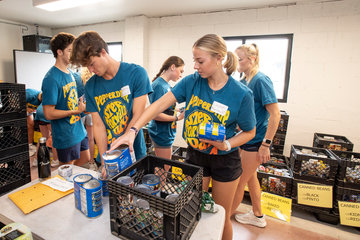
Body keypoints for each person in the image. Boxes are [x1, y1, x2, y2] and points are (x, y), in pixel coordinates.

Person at [109, 34, 256, 240]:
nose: (195, 66)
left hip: (225, 160)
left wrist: (227, 144)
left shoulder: (241, 94)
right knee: (192, 211)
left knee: (220, 216)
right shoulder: (192, 82)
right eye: (194, 60)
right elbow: (158, 105)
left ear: (219, 58)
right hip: (195, 156)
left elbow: (250, 132)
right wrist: (132, 131)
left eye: (200, 61)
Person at [70, 31, 152, 177]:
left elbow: (138, 114)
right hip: (109, 155)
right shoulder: (91, 86)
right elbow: (99, 126)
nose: (91, 70)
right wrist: (104, 161)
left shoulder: (136, 73)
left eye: (92, 64)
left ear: (103, 52)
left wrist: (124, 143)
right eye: (87, 67)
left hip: (134, 153)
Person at [231, 43, 281, 228]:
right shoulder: (244, 81)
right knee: (250, 178)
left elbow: (275, 114)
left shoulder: (261, 80)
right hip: (244, 138)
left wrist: (266, 145)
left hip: (256, 140)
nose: (237, 62)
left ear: (251, 59)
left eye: (240, 59)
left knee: (237, 182)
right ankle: (258, 215)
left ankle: (223, 220)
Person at [41, 32, 90, 166]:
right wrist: (74, 112)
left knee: (85, 158)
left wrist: (82, 109)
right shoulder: (51, 78)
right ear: (59, 52)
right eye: (70, 51)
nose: (73, 54)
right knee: (66, 170)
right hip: (65, 134)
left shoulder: (70, 74)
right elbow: (48, 113)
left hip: (78, 129)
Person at [148, 56, 185, 160]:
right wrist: (177, 118)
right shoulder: (159, 86)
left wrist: (177, 110)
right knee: (164, 168)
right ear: (173, 67)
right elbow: (155, 114)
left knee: (164, 166)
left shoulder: (165, 85)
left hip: (166, 132)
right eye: (180, 71)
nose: (181, 75)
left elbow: (164, 108)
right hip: (161, 133)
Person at [79, 67, 97, 171]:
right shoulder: (94, 81)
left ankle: (80, 161)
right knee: (91, 138)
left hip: (81, 111)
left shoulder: (79, 81)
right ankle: (91, 163)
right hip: (91, 111)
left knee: (81, 137)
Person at [33, 103, 59, 167]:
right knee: (55, 136)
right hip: (48, 111)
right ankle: (55, 160)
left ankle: (36, 160)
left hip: (40, 110)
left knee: (44, 137)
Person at [26, 89, 42, 157]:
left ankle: (30, 145)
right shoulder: (30, 94)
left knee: (31, 124)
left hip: (29, 112)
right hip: (21, 109)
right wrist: (25, 108)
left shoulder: (43, 101)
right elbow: (16, 102)